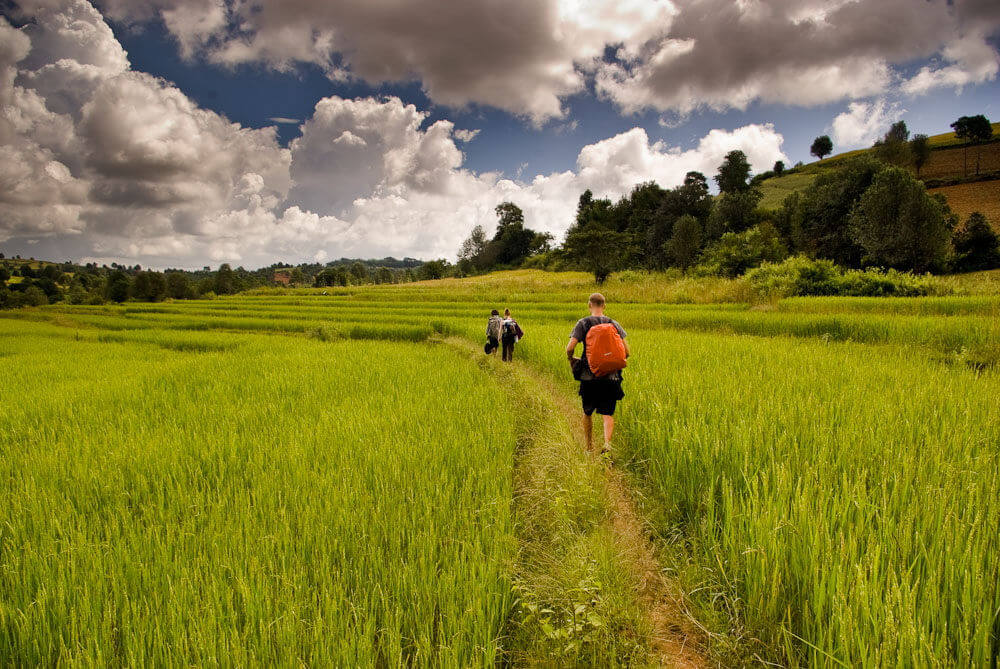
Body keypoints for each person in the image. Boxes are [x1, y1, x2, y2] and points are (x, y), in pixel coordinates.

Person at [565, 292, 629, 454]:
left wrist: (571, 359)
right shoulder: (613, 323)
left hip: (589, 376)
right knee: (607, 413)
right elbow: (626, 352)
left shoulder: (583, 323)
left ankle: (589, 447)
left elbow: (570, 347)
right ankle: (607, 445)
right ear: (604, 306)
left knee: (587, 412)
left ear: (589, 305)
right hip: (611, 376)